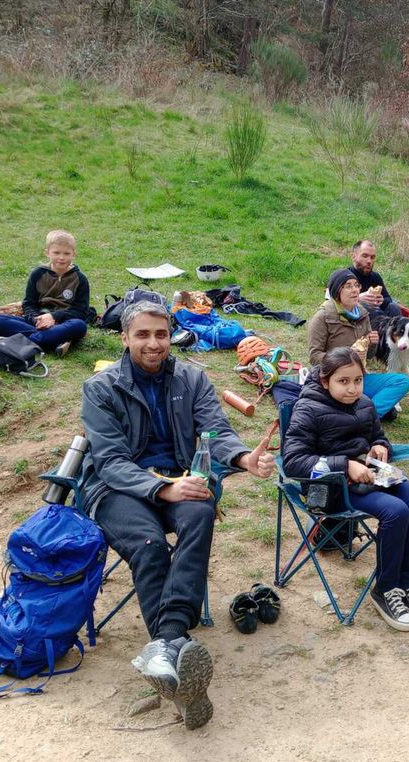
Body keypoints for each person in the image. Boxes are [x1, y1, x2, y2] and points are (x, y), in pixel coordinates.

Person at [80, 301, 275, 729]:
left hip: (182, 478)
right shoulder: (101, 387)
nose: (154, 343)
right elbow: (110, 461)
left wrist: (243, 459)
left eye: (161, 334)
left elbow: (216, 432)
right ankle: (175, 646)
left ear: (172, 336)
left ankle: (166, 649)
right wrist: (162, 487)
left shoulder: (192, 377)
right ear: (125, 338)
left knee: (200, 513)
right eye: (143, 335)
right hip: (119, 490)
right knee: (149, 546)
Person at [282, 347, 409, 633]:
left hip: (370, 478)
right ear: (325, 380)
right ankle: (386, 590)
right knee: (396, 511)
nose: (352, 388)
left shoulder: (364, 404)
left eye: (358, 380)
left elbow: (378, 436)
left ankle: (407, 584)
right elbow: (293, 462)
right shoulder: (308, 408)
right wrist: (345, 465)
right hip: (332, 487)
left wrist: (381, 447)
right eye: (343, 381)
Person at [307, 269, 409, 419]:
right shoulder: (322, 317)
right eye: (348, 286)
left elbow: (368, 356)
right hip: (333, 379)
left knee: (401, 382)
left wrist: (373, 344)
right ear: (337, 292)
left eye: (356, 285)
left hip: (358, 377)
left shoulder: (362, 314)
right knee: (387, 410)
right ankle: (362, 412)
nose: (355, 290)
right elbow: (314, 357)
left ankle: (365, 417)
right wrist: (344, 357)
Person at [0, 230, 90, 356]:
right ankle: (53, 341)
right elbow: (28, 304)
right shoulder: (37, 274)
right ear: (47, 252)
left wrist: (54, 317)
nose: (61, 257)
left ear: (74, 254)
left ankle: (26, 342)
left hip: (64, 322)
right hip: (37, 321)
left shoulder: (80, 279)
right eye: (56, 253)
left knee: (79, 326)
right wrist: (37, 319)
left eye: (66, 253)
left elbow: (80, 311)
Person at [349, 240, 402, 319]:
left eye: (372, 257)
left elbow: (388, 298)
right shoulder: (345, 276)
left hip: (379, 316)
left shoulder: (375, 277)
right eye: (365, 256)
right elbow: (334, 301)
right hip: (355, 317)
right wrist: (357, 299)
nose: (369, 261)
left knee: (394, 307)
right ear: (353, 256)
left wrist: (381, 300)